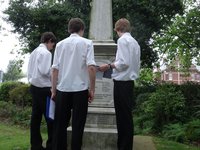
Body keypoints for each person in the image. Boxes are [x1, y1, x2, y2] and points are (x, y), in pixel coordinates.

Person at [51, 18, 96, 150]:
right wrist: (92, 89)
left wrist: (54, 91)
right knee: (78, 126)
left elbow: (54, 69)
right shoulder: (87, 43)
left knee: (59, 126)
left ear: (69, 29)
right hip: (80, 89)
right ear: (82, 29)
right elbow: (91, 67)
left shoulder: (59, 44)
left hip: (62, 89)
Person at [98, 18, 140, 150]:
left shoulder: (122, 40)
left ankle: (124, 147)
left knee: (123, 118)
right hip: (129, 82)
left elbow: (123, 62)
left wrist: (109, 66)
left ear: (118, 29)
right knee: (126, 117)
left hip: (122, 83)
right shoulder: (135, 42)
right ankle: (125, 146)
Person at [28, 32, 57, 150]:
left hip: (34, 87)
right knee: (51, 118)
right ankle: (51, 145)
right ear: (50, 40)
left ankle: (36, 145)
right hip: (44, 89)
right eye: (52, 45)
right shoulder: (46, 53)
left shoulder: (34, 52)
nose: (52, 47)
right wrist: (56, 74)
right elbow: (45, 71)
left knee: (35, 118)